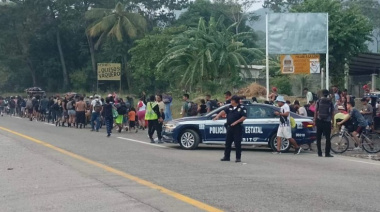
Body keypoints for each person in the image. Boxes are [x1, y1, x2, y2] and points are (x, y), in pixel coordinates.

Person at [213, 96, 246, 163]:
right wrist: (217, 116)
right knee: (228, 143)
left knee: (237, 143)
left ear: (235, 101)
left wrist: (236, 122)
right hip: (229, 127)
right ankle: (226, 157)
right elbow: (223, 111)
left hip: (237, 127)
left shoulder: (241, 108)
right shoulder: (229, 107)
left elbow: (244, 117)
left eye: (232, 100)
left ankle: (238, 158)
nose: (231, 101)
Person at [314, 89, 335, 157]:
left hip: (319, 121)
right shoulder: (330, 102)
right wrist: (332, 122)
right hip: (327, 121)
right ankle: (327, 153)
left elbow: (315, 111)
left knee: (318, 137)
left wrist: (315, 120)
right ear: (328, 94)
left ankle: (319, 152)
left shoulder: (319, 101)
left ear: (322, 94)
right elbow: (332, 113)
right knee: (328, 138)